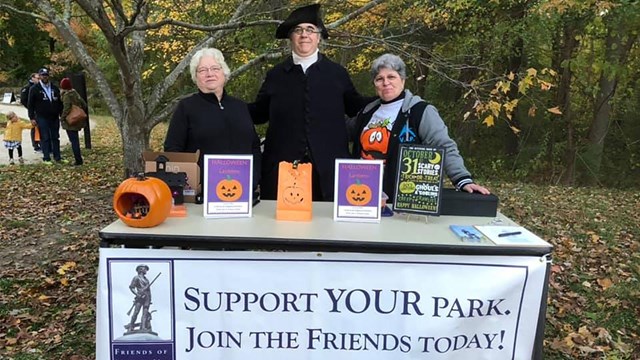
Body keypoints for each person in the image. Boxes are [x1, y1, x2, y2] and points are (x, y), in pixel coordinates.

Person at [249, 4, 370, 201]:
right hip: (283, 169)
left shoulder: (337, 74)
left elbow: (357, 107)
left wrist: (387, 97)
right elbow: (258, 113)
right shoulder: (276, 75)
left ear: (318, 37)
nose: (304, 34)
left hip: (329, 170)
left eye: (310, 30)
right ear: (291, 37)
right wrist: (224, 103)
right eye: (298, 30)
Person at [350, 54, 490, 202]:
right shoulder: (367, 112)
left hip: (401, 198)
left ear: (402, 80)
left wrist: (462, 179)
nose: (386, 83)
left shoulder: (420, 111)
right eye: (379, 79)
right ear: (375, 84)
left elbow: (443, 145)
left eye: (391, 77)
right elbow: (340, 131)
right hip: (362, 194)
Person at [164, 48, 262, 193]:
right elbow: (173, 150)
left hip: (242, 191)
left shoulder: (240, 107)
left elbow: (254, 146)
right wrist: (190, 185)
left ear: (224, 72)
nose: (210, 74)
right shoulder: (186, 108)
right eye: (202, 70)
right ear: (196, 77)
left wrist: (253, 179)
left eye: (215, 68)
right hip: (201, 194)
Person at [28, 68, 65, 165]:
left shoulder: (54, 88)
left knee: (55, 137)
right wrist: (31, 117)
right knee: (45, 137)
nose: (45, 77)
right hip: (41, 116)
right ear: (39, 76)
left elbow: (60, 103)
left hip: (54, 116)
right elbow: (30, 104)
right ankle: (46, 158)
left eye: (46, 75)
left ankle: (57, 157)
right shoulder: (34, 89)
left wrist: (61, 114)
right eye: (43, 75)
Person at [59, 78, 87, 166]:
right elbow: (84, 104)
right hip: (77, 119)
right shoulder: (75, 93)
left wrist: (62, 118)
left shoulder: (67, 95)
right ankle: (79, 158)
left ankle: (78, 160)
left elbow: (66, 108)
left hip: (70, 120)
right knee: (76, 140)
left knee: (74, 141)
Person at [127, 264, 152, 332]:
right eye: (145, 269)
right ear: (140, 269)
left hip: (147, 297)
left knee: (145, 313)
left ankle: (143, 327)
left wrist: (149, 299)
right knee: (136, 312)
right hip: (140, 297)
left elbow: (148, 290)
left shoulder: (146, 279)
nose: (146, 270)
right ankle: (131, 326)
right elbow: (132, 287)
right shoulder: (136, 278)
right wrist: (137, 294)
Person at [20, 72, 41, 152]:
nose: (39, 80)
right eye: (37, 78)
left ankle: (41, 142)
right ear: (32, 78)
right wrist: (30, 108)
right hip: (33, 111)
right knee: (34, 126)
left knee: (41, 127)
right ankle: (35, 144)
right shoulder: (27, 88)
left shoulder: (39, 87)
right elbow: (23, 100)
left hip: (40, 110)